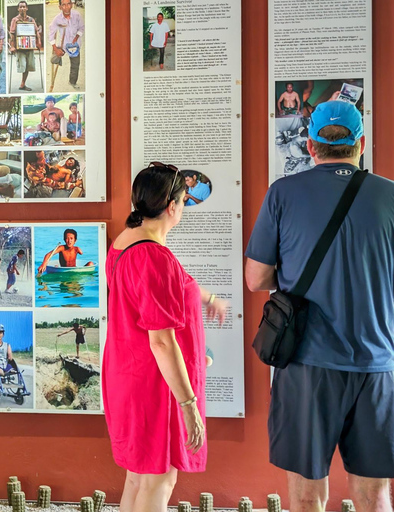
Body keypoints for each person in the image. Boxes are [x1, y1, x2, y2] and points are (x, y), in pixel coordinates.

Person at [245, 101, 394, 512]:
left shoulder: (282, 193)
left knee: (307, 495)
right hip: (376, 366)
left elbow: (256, 278)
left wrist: (295, 278)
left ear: (311, 146)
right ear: (360, 144)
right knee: (375, 495)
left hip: (306, 367)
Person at [103, 162, 228, 512]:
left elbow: (175, 287)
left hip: (130, 373)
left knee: (139, 477)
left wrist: (209, 299)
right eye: (185, 201)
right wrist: (189, 407)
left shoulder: (126, 243)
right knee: (160, 479)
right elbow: (161, 341)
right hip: (153, 383)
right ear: (172, 207)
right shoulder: (153, 257)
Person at [49, 0, 84, 89]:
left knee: (75, 64)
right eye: (63, 5)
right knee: (54, 59)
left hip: (75, 45)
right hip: (63, 44)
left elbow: (81, 28)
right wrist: (56, 49)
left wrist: (76, 37)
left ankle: (72, 82)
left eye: (68, 4)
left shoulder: (77, 15)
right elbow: (51, 34)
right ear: (60, 7)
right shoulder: (57, 19)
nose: (66, 7)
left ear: (72, 5)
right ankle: (52, 80)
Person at [8, 1, 41, 92]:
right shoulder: (15, 20)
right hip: (20, 47)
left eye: (24, 7)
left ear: (27, 8)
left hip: (29, 46)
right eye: (20, 7)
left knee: (29, 66)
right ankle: (22, 84)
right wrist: (12, 46)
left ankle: (23, 84)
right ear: (18, 9)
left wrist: (39, 42)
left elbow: (36, 31)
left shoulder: (31, 20)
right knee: (22, 65)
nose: (22, 8)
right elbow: (12, 34)